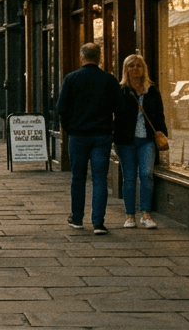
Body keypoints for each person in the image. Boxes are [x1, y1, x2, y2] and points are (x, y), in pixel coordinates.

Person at [56, 42, 122, 235]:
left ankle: (77, 218)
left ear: (81, 57)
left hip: (78, 135)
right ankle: (98, 222)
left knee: (78, 178)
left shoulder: (71, 79)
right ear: (99, 57)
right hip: (101, 136)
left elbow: (62, 109)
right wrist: (111, 129)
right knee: (100, 178)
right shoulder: (109, 80)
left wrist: (70, 129)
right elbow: (119, 109)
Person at [114, 54, 165, 229]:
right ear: (126, 69)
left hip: (147, 140)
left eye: (138, 66)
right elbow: (115, 116)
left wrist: (161, 134)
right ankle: (130, 215)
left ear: (144, 69)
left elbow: (159, 114)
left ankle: (145, 213)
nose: (135, 69)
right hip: (126, 141)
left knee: (146, 175)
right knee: (129, 178)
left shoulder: (152, 90)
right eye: (131, 66)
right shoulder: (120, 90)